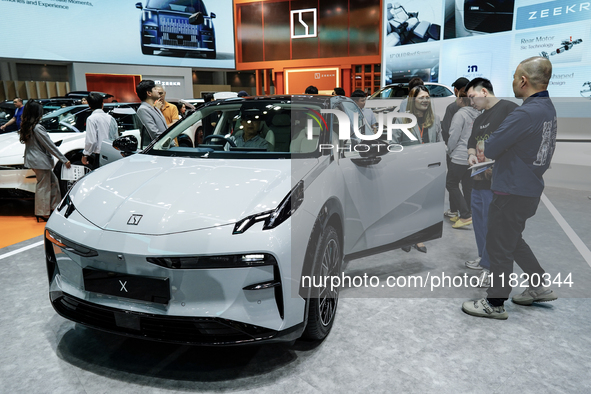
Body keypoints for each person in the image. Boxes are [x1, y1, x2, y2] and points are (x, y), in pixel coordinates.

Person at [462, 56, 558, 319]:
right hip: (528, 188)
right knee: (512, 240)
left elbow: (490, 147)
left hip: (511, 190)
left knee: (499, 246)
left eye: (515, 77)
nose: (513, 81)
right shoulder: (547, 108)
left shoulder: (524, 112)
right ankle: (539, 285)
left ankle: (495, 302)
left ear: (523, 80)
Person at [463, 78, 518, 282]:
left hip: (497, 182)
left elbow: (516, 142)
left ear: (484, 92)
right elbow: (471, 142)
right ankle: (483, 258)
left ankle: (492, 267)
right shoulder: (479, 119)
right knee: (479, 222)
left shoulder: (509, 110)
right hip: (478, 179)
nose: (471, 102)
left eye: (472, 97)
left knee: (492, 225)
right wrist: (470, 155)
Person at [398, 85, 442, 254]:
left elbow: (439, 141)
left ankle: (418, 237)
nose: (425, 100)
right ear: (412, 100)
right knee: (406, 205)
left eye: (427, 97)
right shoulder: (401, 120)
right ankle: (404, 236)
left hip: (429, 169)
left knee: (423, 205)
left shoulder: (435, 119)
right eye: (421, 98)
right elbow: (394, 144)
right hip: (408, 169)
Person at [18, 101, 71, 222]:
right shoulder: (37, 128)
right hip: (40, 161)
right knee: (44, 186)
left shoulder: (27, 126)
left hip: (34, 160)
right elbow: (50, 145)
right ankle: (42, 212)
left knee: (53, 182)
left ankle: (53, 208)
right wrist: (64, 159)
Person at [446, 89, 480, 229]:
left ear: (461, 99)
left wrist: (449, 150)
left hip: (459, 155)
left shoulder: (460, 115)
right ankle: (466, 213)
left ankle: (465, 215)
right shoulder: (478, 114)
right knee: (468, 186)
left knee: (451, 184)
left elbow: (454, 136)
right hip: (473, 156)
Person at [81, 93, 118, 169]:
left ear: (89, 106)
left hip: (100, 155)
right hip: (113, 153)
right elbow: (116, 137)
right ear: (102, 104)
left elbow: (91, 141)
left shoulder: (91, 119)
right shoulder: (111, 118)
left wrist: (85, 154)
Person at [136, 80, 168, 144]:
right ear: (149, 93)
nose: (158, 91)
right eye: (155, 89)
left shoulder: (155, 108)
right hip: (157, 149)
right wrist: (169, 142)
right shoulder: (143, 110)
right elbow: (154, 133)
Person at [441, 77, 470, 144]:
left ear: (456, 90)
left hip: (457, 147)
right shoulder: (476, 105)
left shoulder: (452, 108)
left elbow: (446, 130)